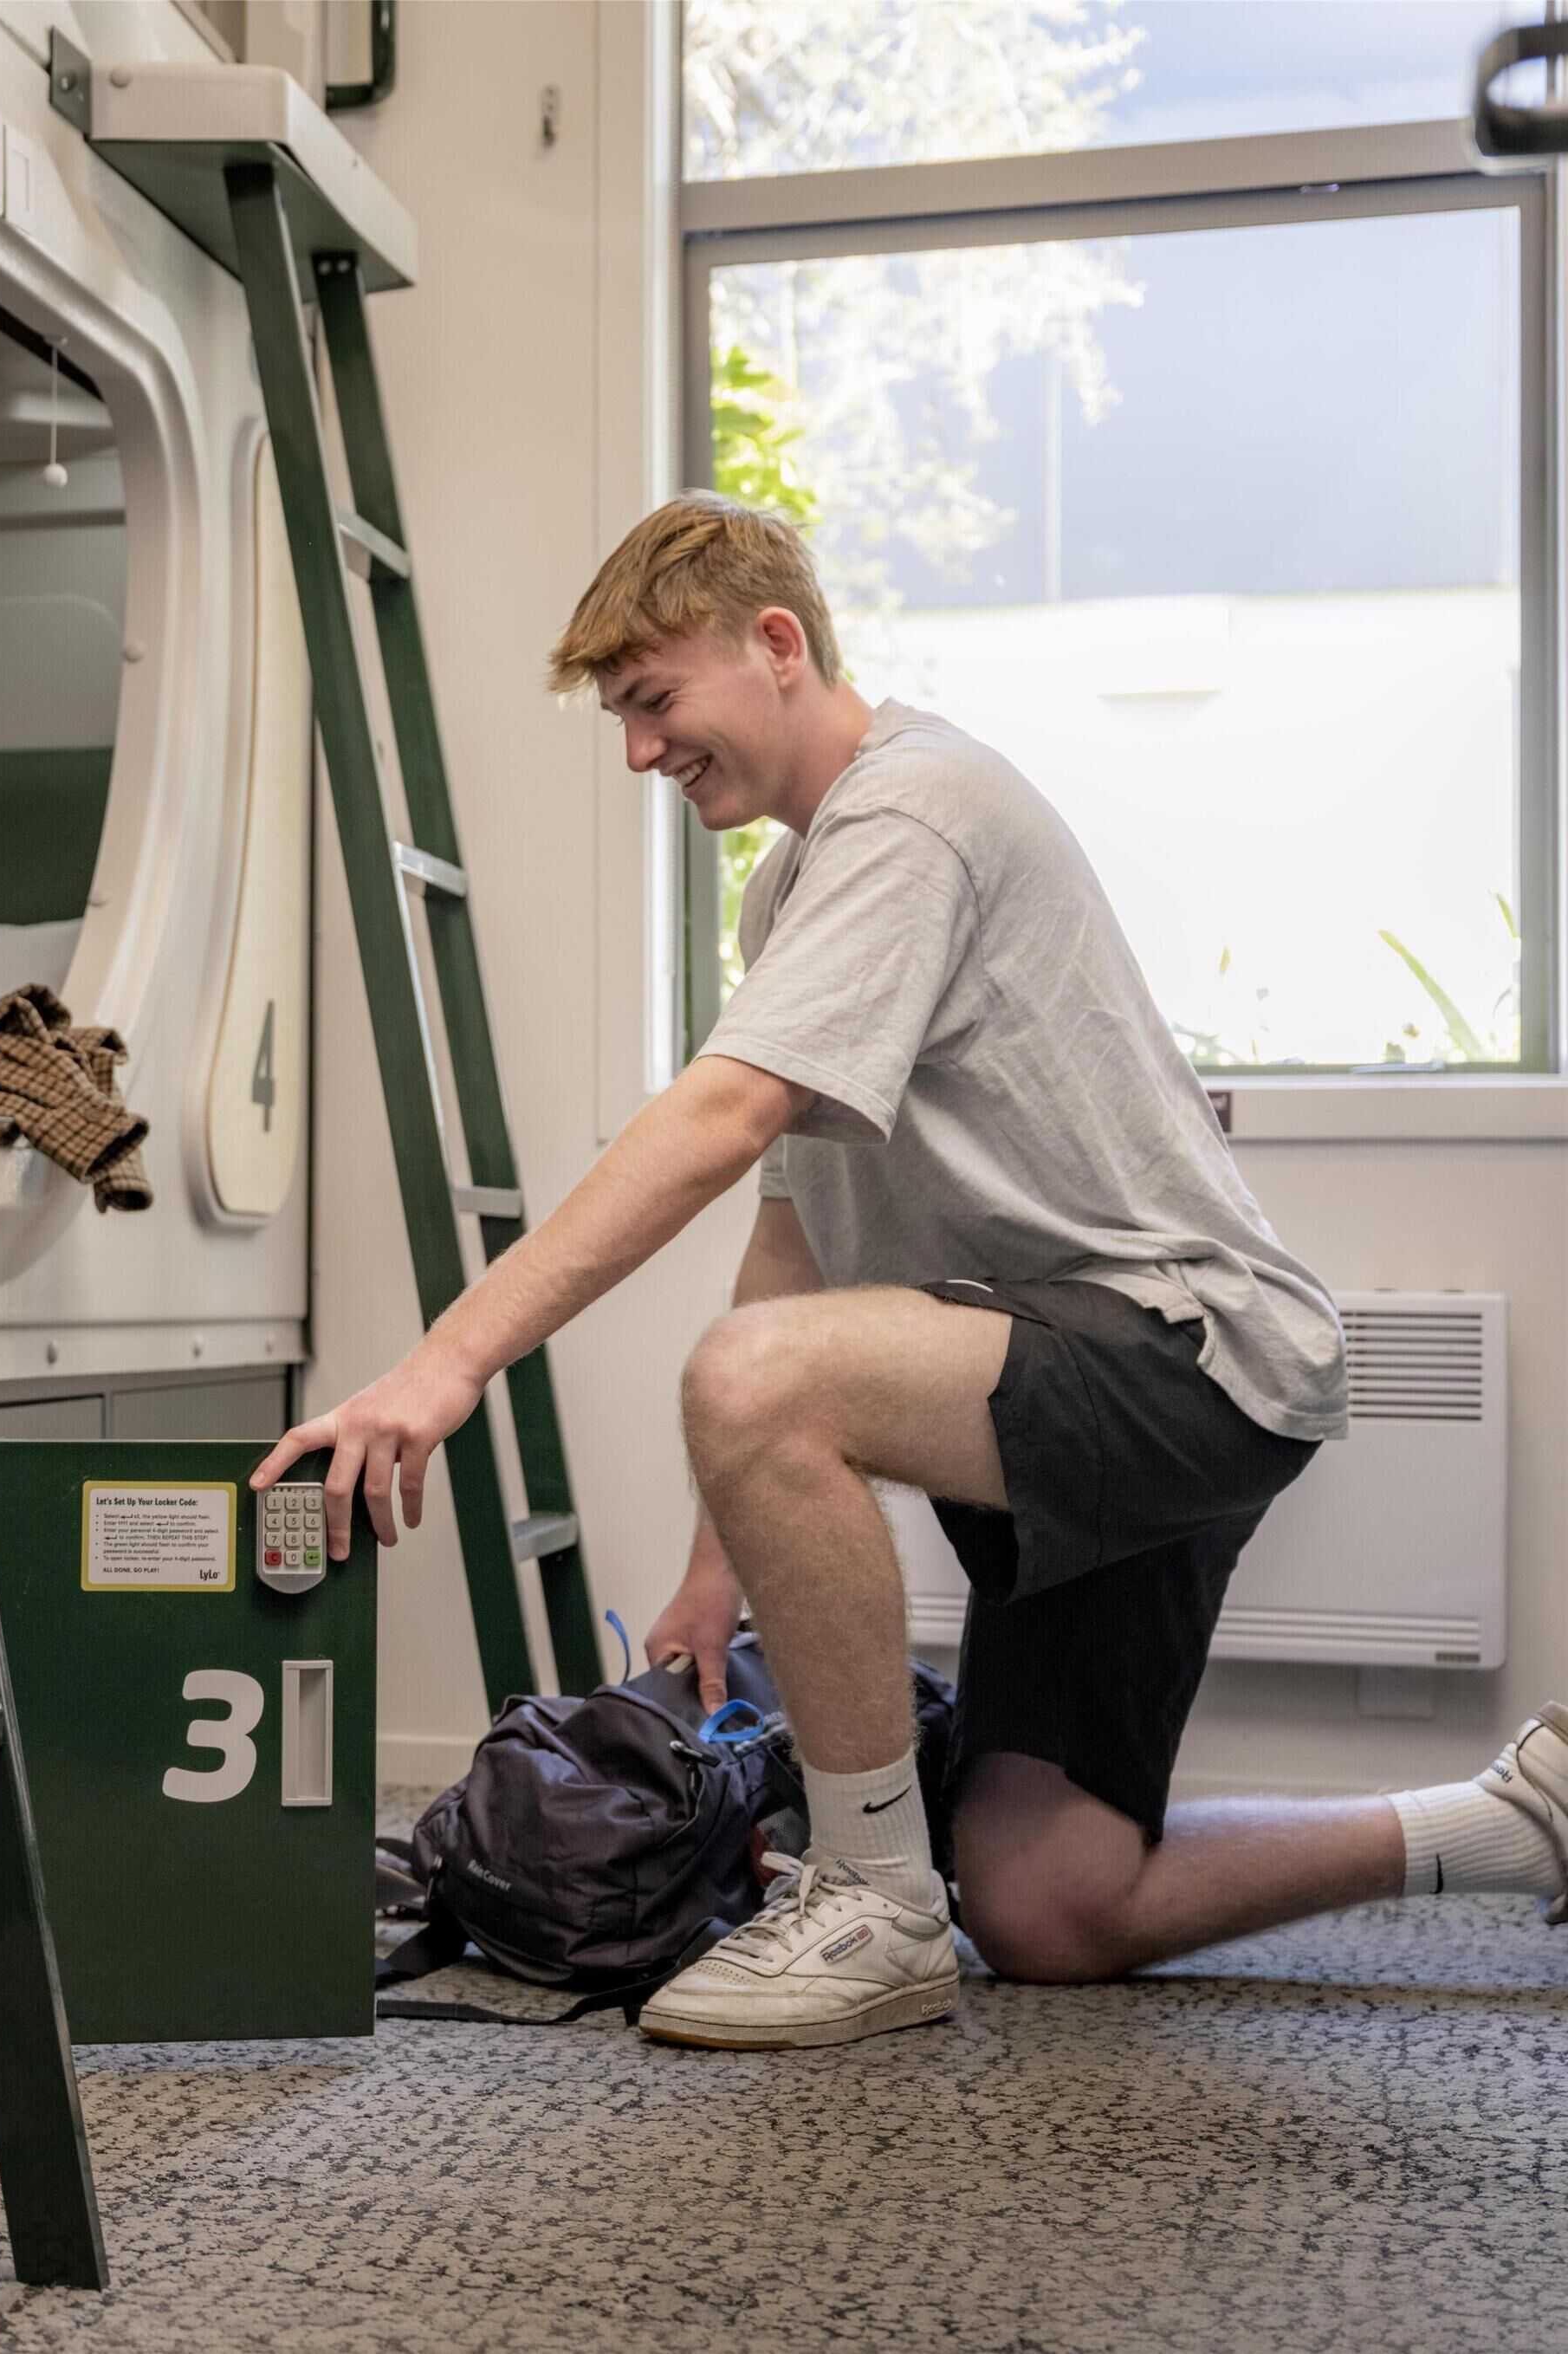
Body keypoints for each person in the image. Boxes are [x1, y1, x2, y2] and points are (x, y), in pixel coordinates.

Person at [255, 492, 1565, 2050]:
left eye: (655, 702)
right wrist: (713, 1564)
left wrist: (443, 1364)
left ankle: (872, 1902)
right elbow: (792, 1239)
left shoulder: (912, 810)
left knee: (752, 1382)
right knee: (1048, 1906)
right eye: (618, 718)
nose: (639, 753)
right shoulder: (793, 885)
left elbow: (727, 1124)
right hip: (1108, 1380)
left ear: (778, 643)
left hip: (1181, 1354)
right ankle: (1515, 1819)